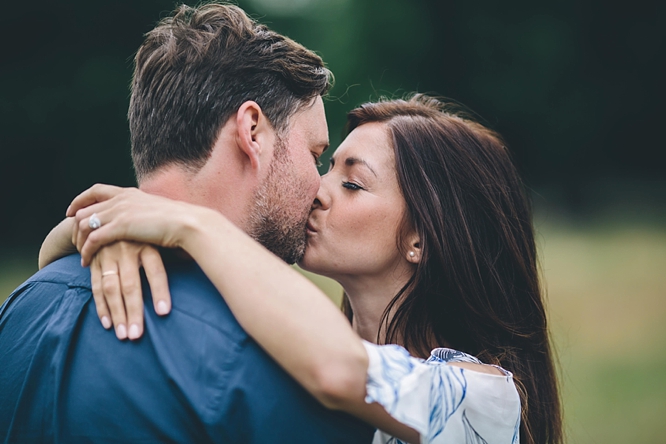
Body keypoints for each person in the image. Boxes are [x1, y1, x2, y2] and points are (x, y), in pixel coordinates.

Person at [50, 95, 563, 444]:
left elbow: (341, 372)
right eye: (326, 166)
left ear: (421, 238)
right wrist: (101, 233)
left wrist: (192, 224)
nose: (317, 191)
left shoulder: (485, 400)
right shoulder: (295, 339)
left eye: (353, 184)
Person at [0, 3, 375, 443]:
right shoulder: (272, 355)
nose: (318, 187)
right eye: (314, 156)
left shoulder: (23, 305)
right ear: (252, 131)